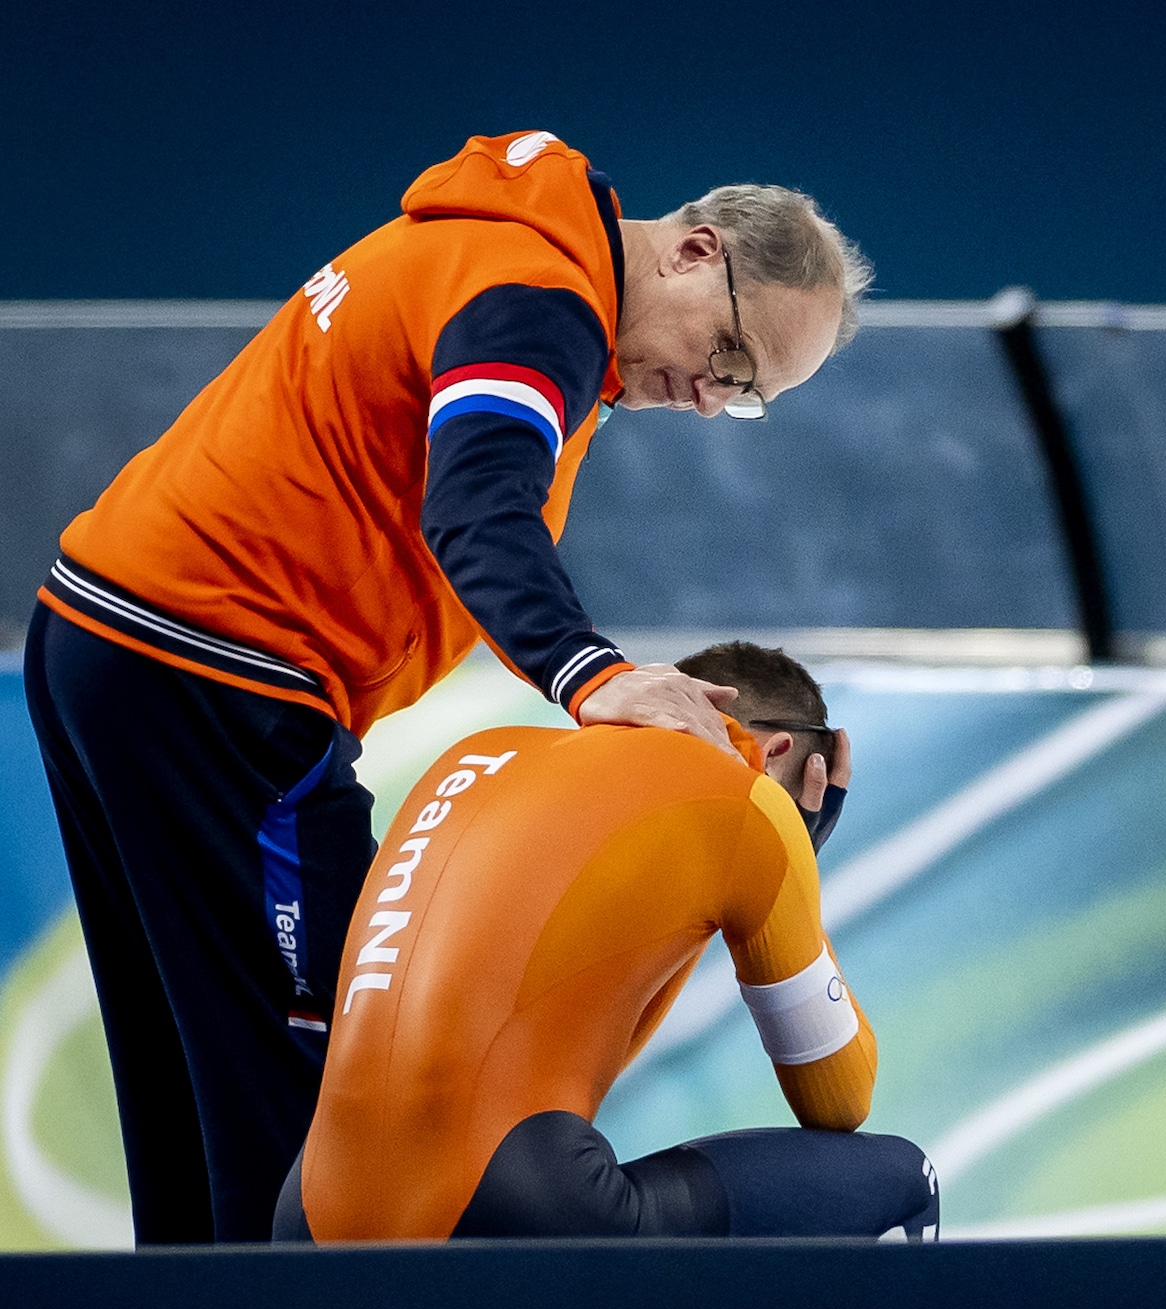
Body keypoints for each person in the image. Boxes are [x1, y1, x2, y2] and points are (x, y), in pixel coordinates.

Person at [23, 130, 874, 1243]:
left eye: (747, 396)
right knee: (323, 1104)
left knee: (191, 1090)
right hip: (216, 669)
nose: (713, 403)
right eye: (727, 356)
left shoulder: (503, 249)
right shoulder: (539, 297)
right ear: (691, 250)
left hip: (108, 636)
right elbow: (477, 509)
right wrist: (592, 675)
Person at [275, 643, 938, 1243]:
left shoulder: (478, 754)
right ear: (791, 755)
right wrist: (795, 863)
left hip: (307, 1212)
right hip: (514, 1194)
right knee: (906, 1182)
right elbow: (838, 1096)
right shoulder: (749, 806)